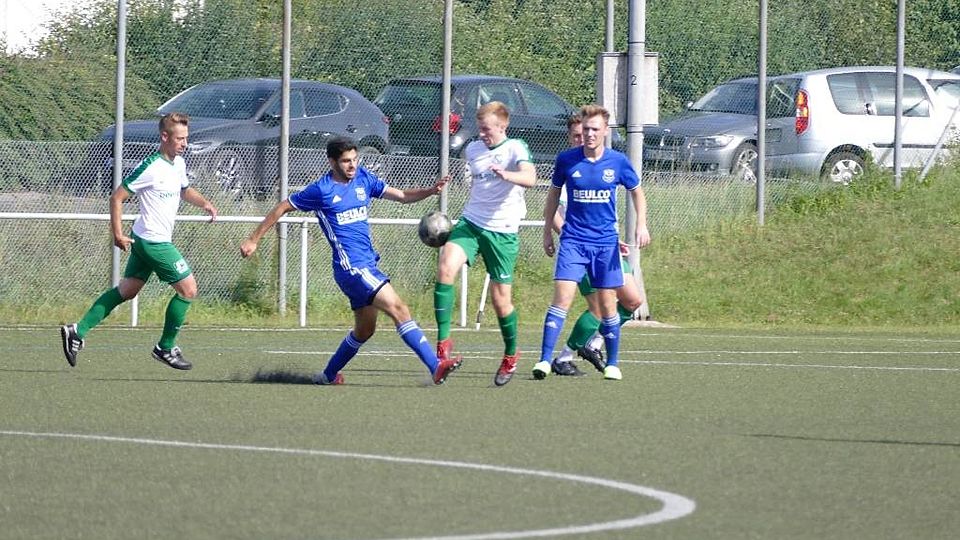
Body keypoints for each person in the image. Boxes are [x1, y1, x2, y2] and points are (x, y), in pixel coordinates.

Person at [240, 137, 461, 386]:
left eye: (355, 159)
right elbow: (282, 207)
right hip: (352, 268)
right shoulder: (321, 190)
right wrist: (253, 239)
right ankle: (435, 366)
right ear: (332, 162)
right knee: (399, 308)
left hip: (366, 266)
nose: (352, 165)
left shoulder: (363, 179)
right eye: (346, 161)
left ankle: (327, 375)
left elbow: (400, 195)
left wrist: (430, 191)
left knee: (365, 331)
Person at [59, 112, 218, 370]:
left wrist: (205, 203)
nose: (185, 144)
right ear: (164, 136)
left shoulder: (178, 164)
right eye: (179, 139)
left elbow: (184, 189)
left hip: (146, 239)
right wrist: (117, 233)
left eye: (186, 138)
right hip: (153, 242)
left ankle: (77, 331)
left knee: (128, 290)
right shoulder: (150, 167)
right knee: (188, 289)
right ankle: (165, 347)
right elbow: (117, 197)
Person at [537, 104, 651, 381]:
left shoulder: (617, 162)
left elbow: (636, 192)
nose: (587, 135)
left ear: (605, 131)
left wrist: (641, 225)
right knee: (579, 302)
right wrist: (550, 232)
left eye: (592, 130)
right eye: (582, 131)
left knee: (624, 301)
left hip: (605, 245)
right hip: (575, 243)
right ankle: (551, 359)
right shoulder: (567, 161)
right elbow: (553, 202)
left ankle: (599, 352)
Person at [433, 101, 537, 387]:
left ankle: (511, 355)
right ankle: (443, 344)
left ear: (503, 126)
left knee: (501, 302)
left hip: (502, 231)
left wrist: (507, 175)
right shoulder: (473, 150)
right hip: (471, 222)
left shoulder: (515, 148)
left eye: (487, 129)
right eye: (479, 129)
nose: (482, 134)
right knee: (445, 268)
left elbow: (531, 178)